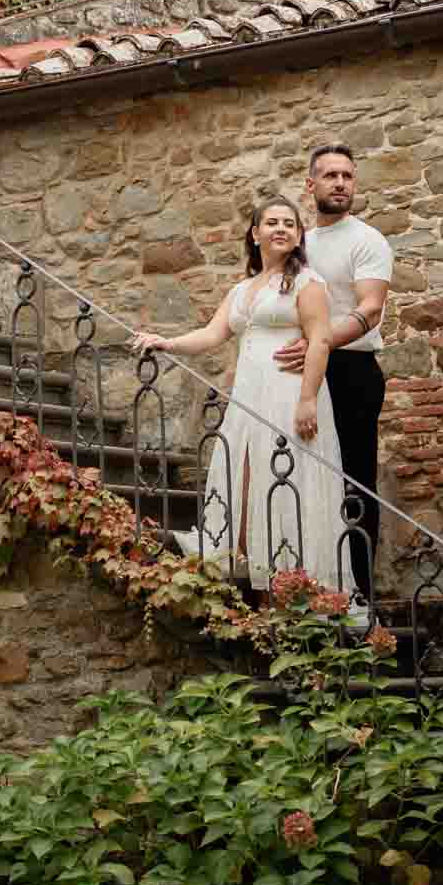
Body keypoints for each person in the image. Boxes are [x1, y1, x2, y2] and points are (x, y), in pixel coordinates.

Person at [131, 196, 346, 592]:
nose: (281, 229)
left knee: (289, 477)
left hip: (288, 393)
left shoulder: (308, 283)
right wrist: (167, 342)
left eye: (289, 224)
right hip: (249, 396)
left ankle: (295, 583)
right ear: (255, 233)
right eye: (272, 222)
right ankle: (254, 566)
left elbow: (319, 342)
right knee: (246, 475)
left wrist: (308, 398)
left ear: (299, 236)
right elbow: (213, 334)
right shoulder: (241, 289)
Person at [275, 144, 391, 602]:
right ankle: (308, 583)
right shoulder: (300, 242)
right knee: (301, 476)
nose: (340, 183)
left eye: (347, 176)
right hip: (301, 371)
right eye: (330, 176)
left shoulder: (367, 240)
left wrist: (320, 343)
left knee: (355, 479)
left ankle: (361, 594)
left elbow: (371, 309)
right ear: (311, 185)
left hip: (352, 370)